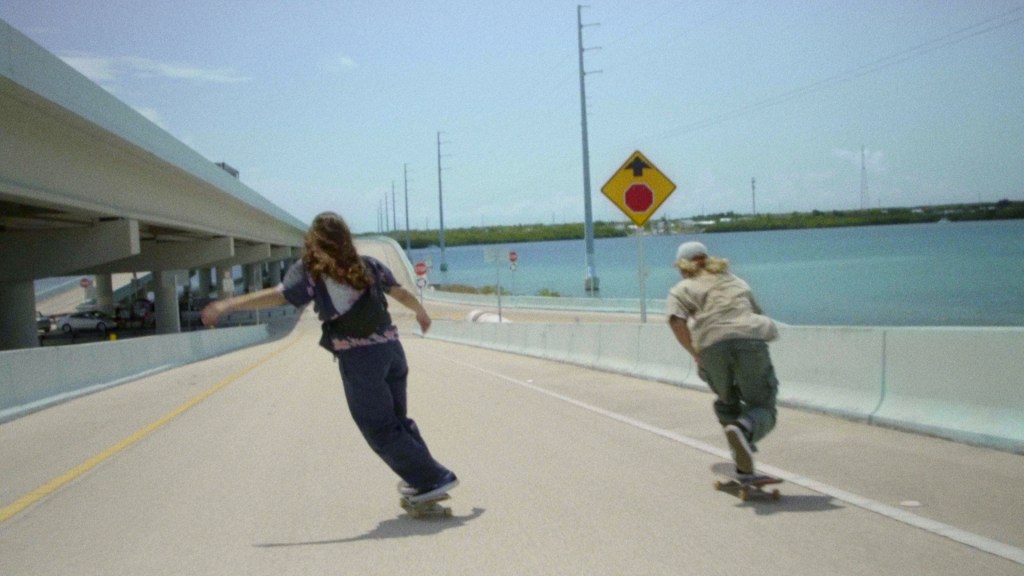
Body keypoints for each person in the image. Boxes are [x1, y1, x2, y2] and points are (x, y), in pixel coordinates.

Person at [201, 211, 458, 504]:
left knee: (377, 426)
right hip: (392, 351)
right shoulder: (368, 265)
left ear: (314, 240)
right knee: (396, 422)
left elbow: (280, 294)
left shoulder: (311, 271)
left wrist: (228, 305)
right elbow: (399, 293)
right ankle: (423, 477)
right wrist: (421, 312)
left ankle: (433, 477)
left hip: (361, 360)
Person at [665, 241, 780, 476]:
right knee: (762, 405)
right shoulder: (735, 281)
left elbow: (676, 321)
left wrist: (695, 353)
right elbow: (755, 313)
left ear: (683, 267)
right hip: (749, 339)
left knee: (727, 403)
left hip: (711, 346)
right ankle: (744, 429)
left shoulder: (681, 288)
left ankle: (742, 462)